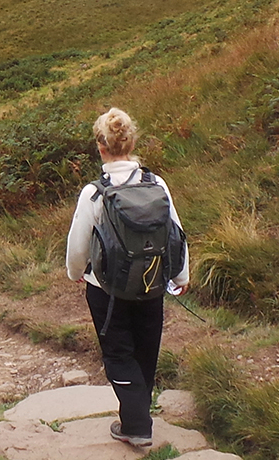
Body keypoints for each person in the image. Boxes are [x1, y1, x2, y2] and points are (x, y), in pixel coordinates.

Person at [65, 107, 190, 449]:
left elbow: (78, 247)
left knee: (118, 352)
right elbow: (175, 233)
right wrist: (181, 275)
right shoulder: (156, 183)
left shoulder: (94, 193)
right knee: (146, 349)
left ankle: (136, 424)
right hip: (152, 283)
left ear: (101, 147)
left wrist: (77, 273)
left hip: (108, 290)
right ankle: (138, 414)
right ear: (132, 142)